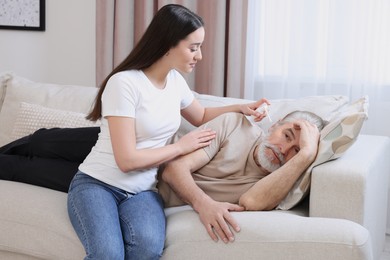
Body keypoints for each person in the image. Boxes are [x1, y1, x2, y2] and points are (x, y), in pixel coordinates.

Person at [63, 4, 268, 260]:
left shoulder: (175, 82)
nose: (199, 56)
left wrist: (242, 107)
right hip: (97, 184)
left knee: (147, 251)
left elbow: (201, 116)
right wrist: (181, 147)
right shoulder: (124, 83)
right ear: (168, 44)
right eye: (193, 48)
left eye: (200, 48)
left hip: (143, 191)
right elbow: (126, 161)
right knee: (108, 254)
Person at [158, 110, 325, 245]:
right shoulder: (235, 126)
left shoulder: (280, 181)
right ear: (274, 125)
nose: (283, 150)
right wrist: (204, 204)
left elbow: (251, 202)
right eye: (286, 136)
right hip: (143, 184)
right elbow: (173, 170)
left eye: (296, 150)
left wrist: (306, 155)